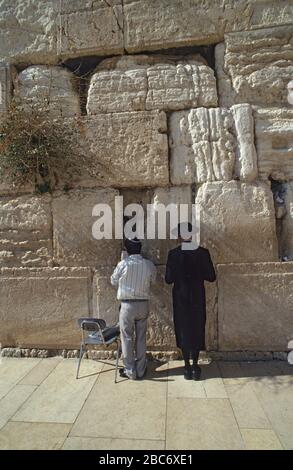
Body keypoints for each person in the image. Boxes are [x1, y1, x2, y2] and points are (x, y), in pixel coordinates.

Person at [165, 223, 216, 380]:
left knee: (183, 330)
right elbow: (211, 276)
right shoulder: (202, 253)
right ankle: (195, 366)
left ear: (180, 236)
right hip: (197, 298)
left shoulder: (173, 254)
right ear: (192, 235)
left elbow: (168, 279)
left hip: (181, 299)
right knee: (196, 328)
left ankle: (187, 366)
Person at [111, 238, 156, 380]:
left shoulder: (123, 264)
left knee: (127, 338)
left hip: (127, 305)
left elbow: (113, 280)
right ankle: (141, 370)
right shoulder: (148, 264)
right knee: (141, 338)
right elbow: (153, 281)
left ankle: (130, 370)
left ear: (128, 250)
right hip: (143, 304)